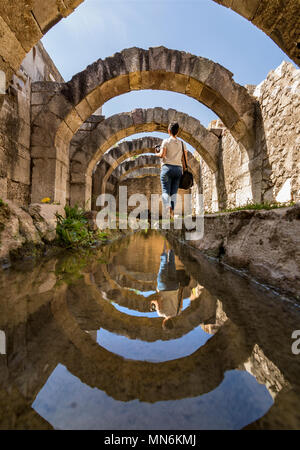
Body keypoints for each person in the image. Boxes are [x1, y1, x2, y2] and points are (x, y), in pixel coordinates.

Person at [156, 122, 188, 217]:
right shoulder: (182, 144)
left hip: (167, 168)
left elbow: (162, 155)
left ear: (168, 130)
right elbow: (184, 159)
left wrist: (155, 153)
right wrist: (184, 170)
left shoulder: (166, 141)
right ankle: (172, 214)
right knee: (174, 193)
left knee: (165, 191)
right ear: (177, 132)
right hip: (178, 170)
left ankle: (168, 206)